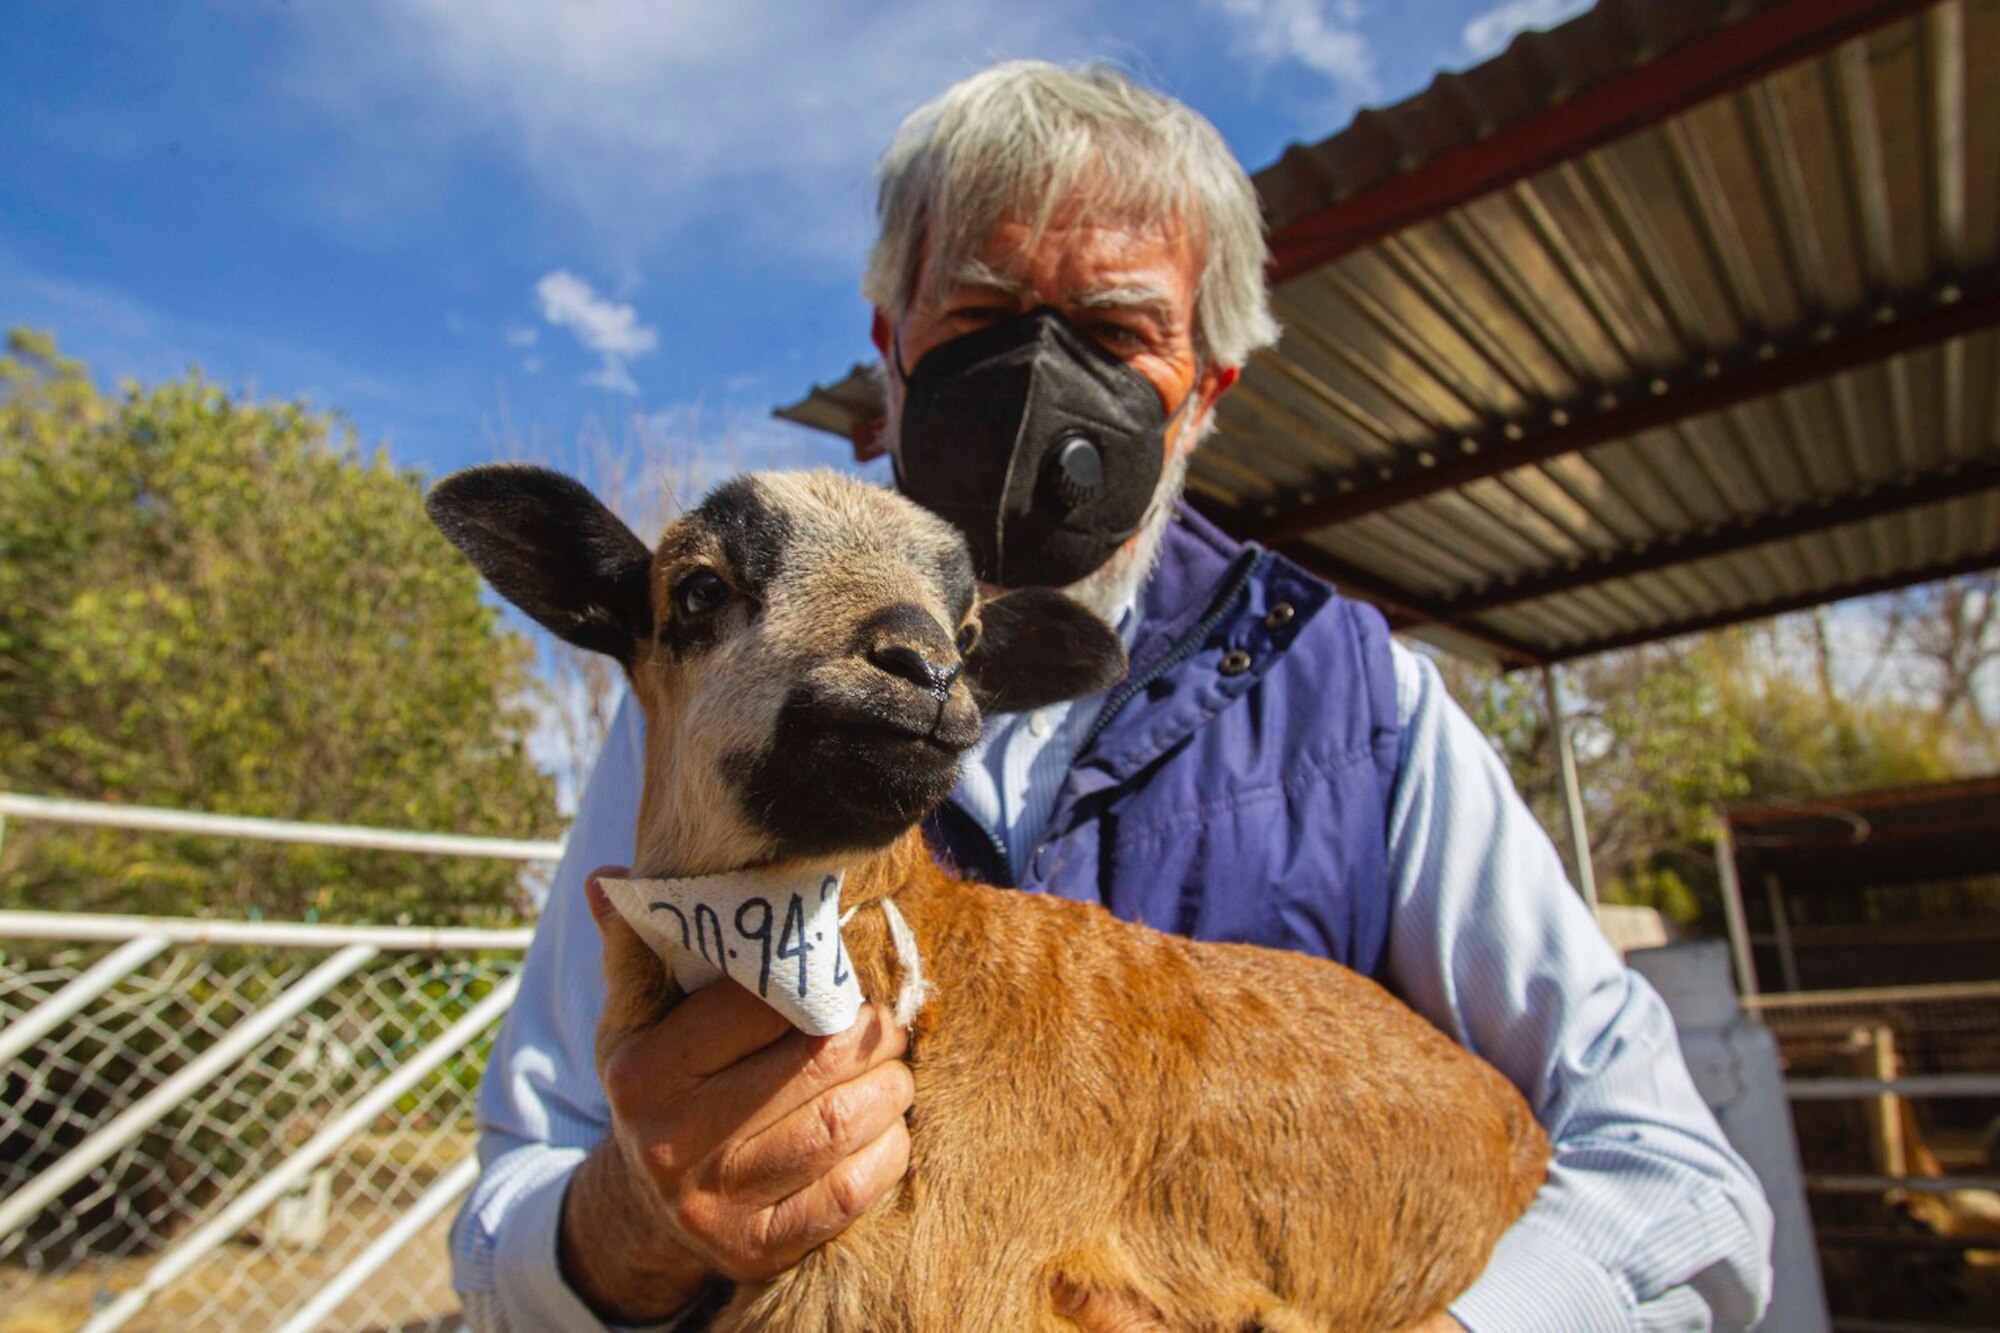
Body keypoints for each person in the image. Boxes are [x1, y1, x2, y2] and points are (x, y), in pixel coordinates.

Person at [451, 62, 1774, 1331]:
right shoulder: (703, 705)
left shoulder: (1361, 701)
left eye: (1118, 333)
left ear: (1205, 390)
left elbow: (1677, 1175)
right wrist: (631, 1218)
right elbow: (514, 1209)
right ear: (891, 346)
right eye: (978, 319)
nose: (1038, 384)